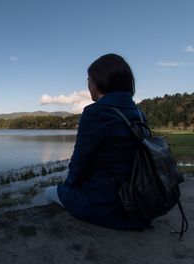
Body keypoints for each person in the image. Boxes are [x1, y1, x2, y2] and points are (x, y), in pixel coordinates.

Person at [45, 53, 148, 230]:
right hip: (138, 201)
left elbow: (79, 161)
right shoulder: (138, 113)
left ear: (99, 82)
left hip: (107, 205)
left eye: (89, 80)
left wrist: (68, 187)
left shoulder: (96, 113)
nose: (88, 86)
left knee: (49, 192)